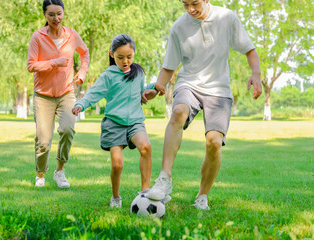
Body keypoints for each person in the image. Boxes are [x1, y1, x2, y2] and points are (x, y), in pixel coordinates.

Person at [142, 0, 262, 210]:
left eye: (195, 3)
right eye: (185, 4)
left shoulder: (227, 18)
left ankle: (202, 196)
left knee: (214, 143)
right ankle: (164, 178)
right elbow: (169, 65)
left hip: (219, 89)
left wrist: (256, 75)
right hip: (189, 83)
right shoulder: (179, 27)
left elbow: (250, 50)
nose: (191, 9)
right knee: (178, 112)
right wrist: (158, 86)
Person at [72, 34, 157, 208]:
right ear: (112, 54)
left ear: (133, 54)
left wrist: (155, 87)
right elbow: (94, 93)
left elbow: (142, 90)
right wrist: (81, 104)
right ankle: (116, 197)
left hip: (135, 121)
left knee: (146, 147)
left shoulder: (138, 72)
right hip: (114, 124)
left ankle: (145, 193)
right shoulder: (108, 75)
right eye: (120, 57)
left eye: (129, 57)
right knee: (117, 165)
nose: (125, 61)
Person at [27, 0, 90, 188]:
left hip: (66, 92)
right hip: (43, 95)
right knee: (43, 140)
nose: (56, 18)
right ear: (45, 16)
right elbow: (31, 65)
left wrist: (82, 72)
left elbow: (85, 53)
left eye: (59, 13)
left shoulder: (72, 35)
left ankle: (60, 171)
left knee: (68, 129)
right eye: (51, 14)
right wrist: (55, 61)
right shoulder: (37, 37)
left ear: (63, 13)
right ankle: (40, 174)